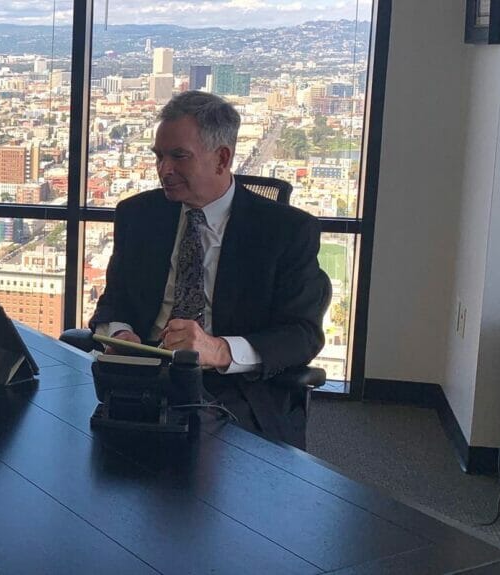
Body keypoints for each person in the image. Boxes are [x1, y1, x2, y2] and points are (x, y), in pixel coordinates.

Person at [89, 91, 330, 446]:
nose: (163, 170)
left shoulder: (285, 231)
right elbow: (114, 301)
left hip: (235, 385)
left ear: (222, 159)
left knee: (192, 452)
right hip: (145, 377)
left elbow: (302, 334)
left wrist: (218, 350)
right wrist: (121, 335)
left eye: (178, 156)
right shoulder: (139, 215)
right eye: (159, 156)